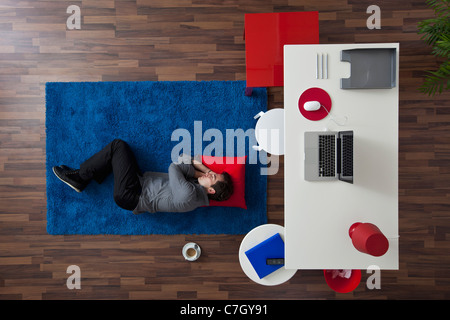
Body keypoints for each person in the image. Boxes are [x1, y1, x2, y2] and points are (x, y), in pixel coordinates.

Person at [52, 139, 233, 214]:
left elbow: (175, 166)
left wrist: (199, 169)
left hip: (130, 195)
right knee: (118, 154)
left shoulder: (189, 194)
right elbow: (188, 158)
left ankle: (80, 177)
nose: (210, 173)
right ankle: (87, 175)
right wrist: (204, 171)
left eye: (213, 177)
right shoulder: (197, 190)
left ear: (210, 189)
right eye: (213, 172)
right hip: (141, 182)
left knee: (118, 146)